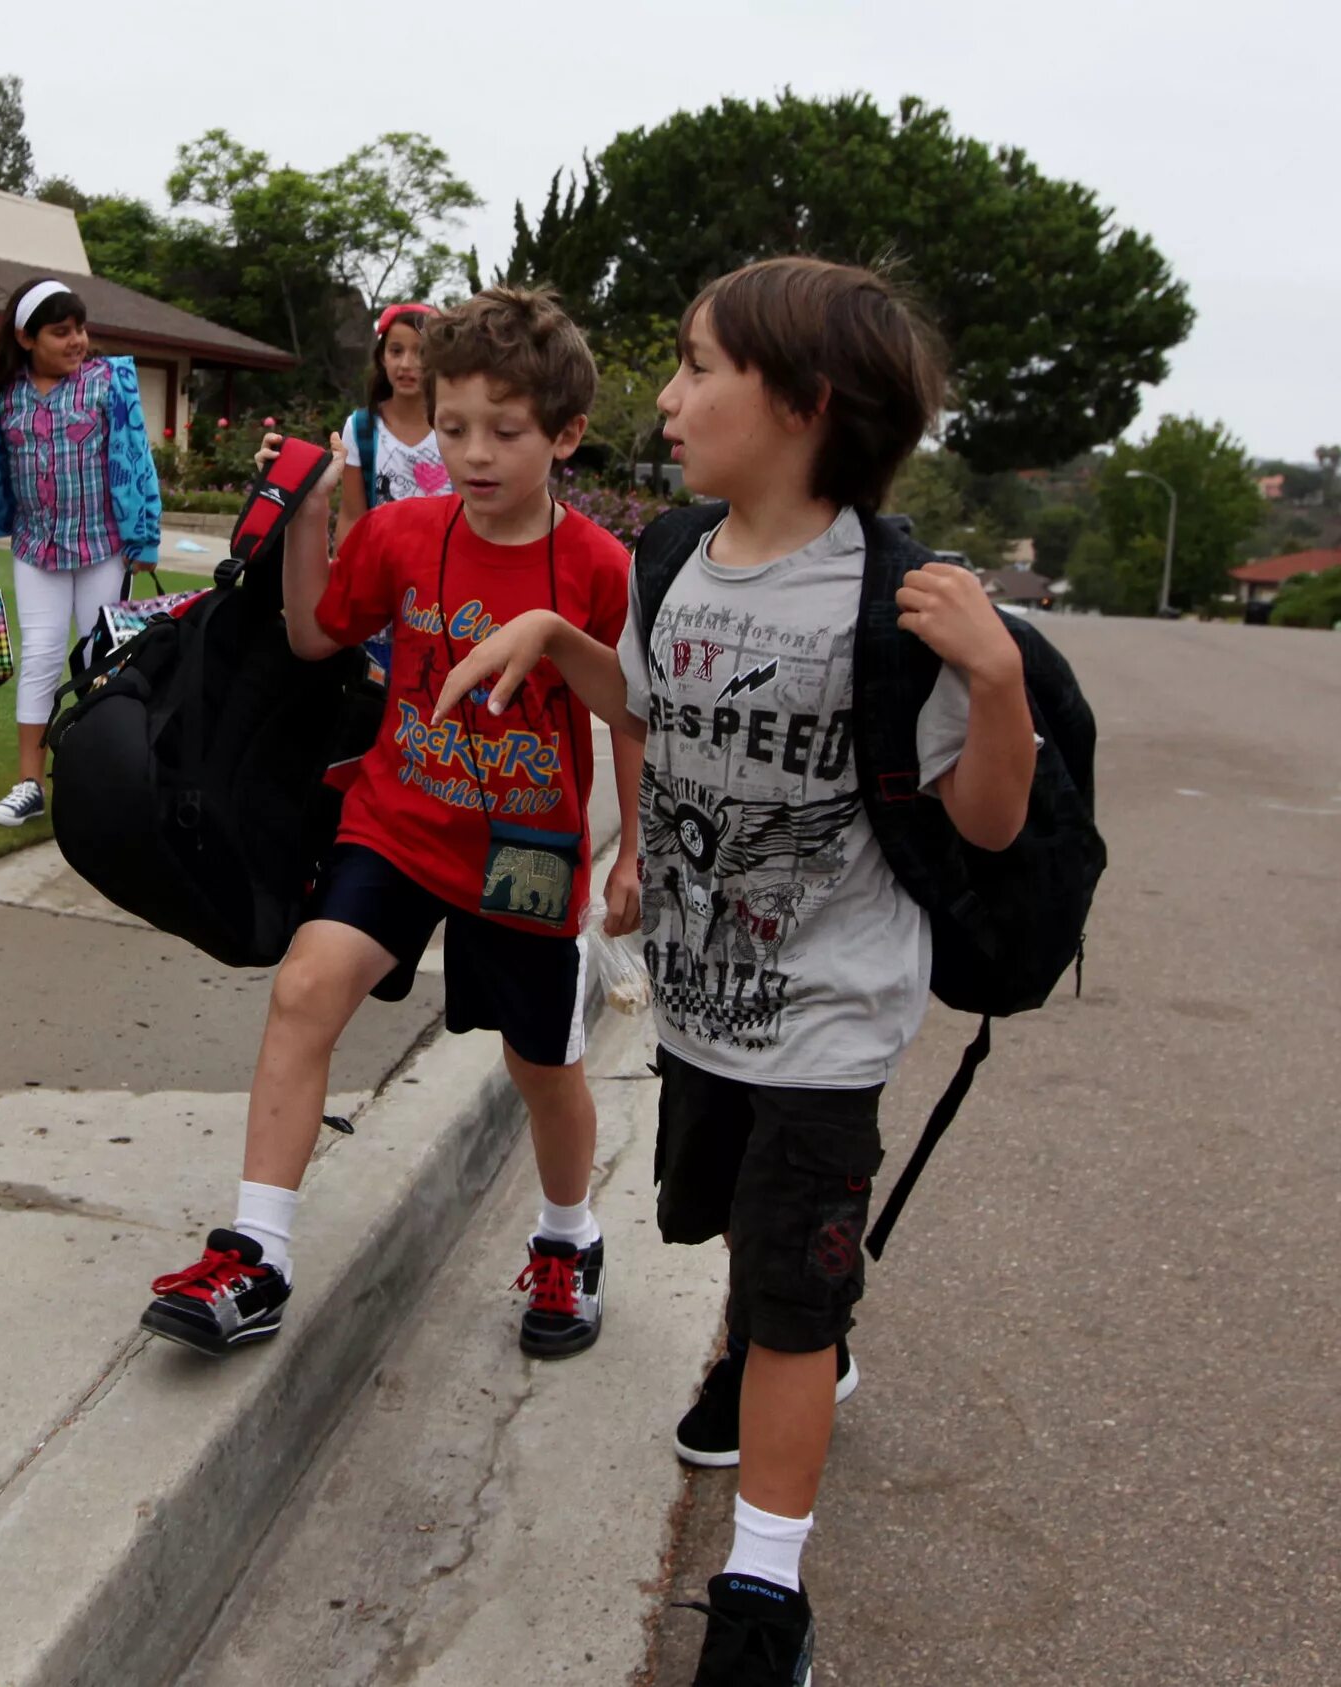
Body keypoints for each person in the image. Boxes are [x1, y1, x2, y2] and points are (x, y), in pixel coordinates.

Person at [430, 257, 1036, 1686]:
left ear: (805, 404)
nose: (669, 393)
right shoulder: (677, 556)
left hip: (832, 1018)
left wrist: (998, 682)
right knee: (718, 1231)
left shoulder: (895, 595)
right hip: (705, 1007)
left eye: (699, 365)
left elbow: (990, 820)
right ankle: (785, 1331)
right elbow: (651, 701)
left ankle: (766, 1593)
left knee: (789, 1293)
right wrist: (553, 637)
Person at [139, 286, 645, 1364]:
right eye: (454, 427)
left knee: (539, 1064)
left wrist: (631, 849)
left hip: (525, 856)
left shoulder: (600, 568)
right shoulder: (407, 533)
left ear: (564, 433)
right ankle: (258, 1256)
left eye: (504, 432)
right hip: (398, 820)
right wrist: (314, 510)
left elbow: (632, 712)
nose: (473, 453)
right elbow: (323, 636)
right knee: (307, 986)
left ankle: (569, 1238)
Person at [0, 277, 164, 827]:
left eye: (80, 329)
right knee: (43, 656)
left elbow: (137, 458)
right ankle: (29, 784)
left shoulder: (108, 382)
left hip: (104, 548)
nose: (76, 341)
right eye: (61, 332)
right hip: (35, 550)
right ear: (26, 338)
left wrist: (145, 535)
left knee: (103, 663)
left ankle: (102, 781)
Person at [335, 300, 452, 685]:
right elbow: (352, 514)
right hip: (380, 604)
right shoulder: (363, 428)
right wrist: (345, 585)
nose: (407, 364)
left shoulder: (455, 426)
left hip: (446, 602)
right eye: (396, 351)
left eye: (420, 353)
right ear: (381, 357)